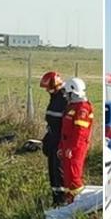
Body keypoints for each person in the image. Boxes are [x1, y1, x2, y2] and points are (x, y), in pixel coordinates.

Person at [58, 77, 93, 204]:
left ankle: (80, 202)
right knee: (67, 176)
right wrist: (62, 147)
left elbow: (80, 133)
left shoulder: (82, 108)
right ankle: (70, 201)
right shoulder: (72, 107)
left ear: (73, 92)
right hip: (68, 146)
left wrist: (71, 148)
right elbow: (65, 131)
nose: (66, 96)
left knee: (74, 177)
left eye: (67, 93)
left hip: (76, 147)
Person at [39, 71, 68, 206]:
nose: (46, 91)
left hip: (60, 142)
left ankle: (62, 201)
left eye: (48, 88)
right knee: (53, 173)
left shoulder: (63, 98)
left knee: (59, 172)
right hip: (53, 140)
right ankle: (56, 200)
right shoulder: (55, 97)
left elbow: (64, 124)